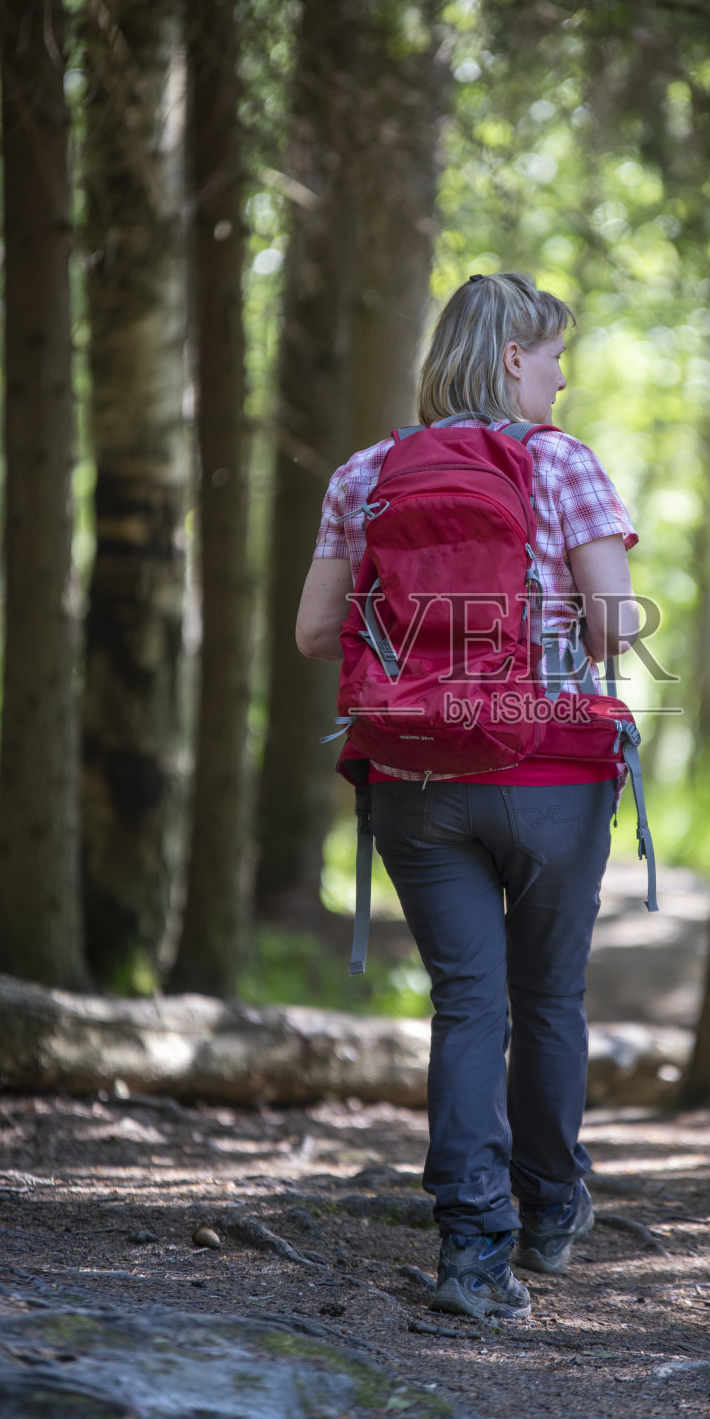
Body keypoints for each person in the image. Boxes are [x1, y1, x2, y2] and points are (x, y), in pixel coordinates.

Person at [296, 272, 639, 1321]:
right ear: (508, 362)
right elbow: (617, 625)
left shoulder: (367, 472)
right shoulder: (561, 463)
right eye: (549, 358)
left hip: (414, 778)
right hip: (547, 772)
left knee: (465, 1005)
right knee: (548, 1000)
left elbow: (315, 632)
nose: (562, 375)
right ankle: (550, 1208)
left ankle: (472, 1253)